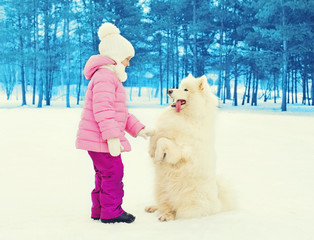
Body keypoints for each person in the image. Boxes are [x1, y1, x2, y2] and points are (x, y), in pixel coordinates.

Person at [76, 22, 153, 224]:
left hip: (98, 138)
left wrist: (140, 130)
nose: (128, 63)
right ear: (117, 57)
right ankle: (111, 212)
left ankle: (100, 210)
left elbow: (121, 114)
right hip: (102, 139)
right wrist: (112, 137)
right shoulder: (105, 76)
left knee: (104, 174)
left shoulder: (108, 77)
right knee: (113, 173)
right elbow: (103, 110)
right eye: (127, 59)